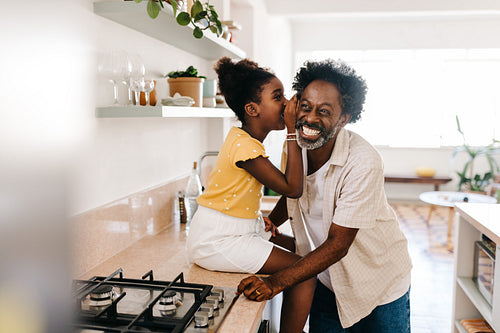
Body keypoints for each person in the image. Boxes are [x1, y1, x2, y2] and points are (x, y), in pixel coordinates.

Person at [237, 59, 413, 332]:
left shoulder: (363, 161)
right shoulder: (296, 146)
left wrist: (276, 282)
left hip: (377, 284)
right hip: (323, 277)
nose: (310, 118)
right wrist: (271, 222)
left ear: (345, 118)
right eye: (305, 107)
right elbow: (296, 192)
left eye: (324, 111)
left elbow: (338, 244)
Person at [186, 57, 316, 333]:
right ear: (252, 109)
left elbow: (240, 198)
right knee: (305, 272)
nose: (286, 104)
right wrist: (292, 130)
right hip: (217, 240)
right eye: (277, 96)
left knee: (305, 250)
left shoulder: (243, 141)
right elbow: (292, 188)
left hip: (234, 230)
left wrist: (259, 221)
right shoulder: (244, 147)